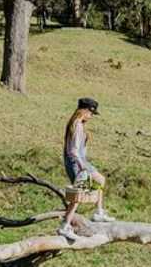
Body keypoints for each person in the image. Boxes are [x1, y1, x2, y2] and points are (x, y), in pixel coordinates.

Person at [57, 97, 116, 239]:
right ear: (84, 110)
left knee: (100, 180)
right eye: (91, 113)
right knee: (77, 196)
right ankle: (65, 226)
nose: (91, 117)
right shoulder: (76, 125)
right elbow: (73, 151)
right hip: (77, 163)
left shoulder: (78, 124)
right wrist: (82, 167)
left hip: (81, 162)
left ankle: (99, 212)